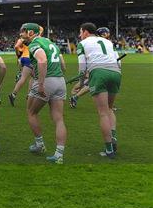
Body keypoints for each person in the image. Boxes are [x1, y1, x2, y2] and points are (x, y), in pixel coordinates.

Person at [20, 23, 68, 164]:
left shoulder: (35, 44)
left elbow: (42, 60)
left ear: (30, 32)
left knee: (31, 112)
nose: (21, 35)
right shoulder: (50, 42)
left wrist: (41, 84)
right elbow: (63, 66)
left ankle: (39, 144)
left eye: (23, 32)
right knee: (59, 119)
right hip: (60, 81)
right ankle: (59, 154)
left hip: (46, 82)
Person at [77, 23, 121, 158]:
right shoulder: (107, 42)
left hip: (99, 73)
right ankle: (113, 137)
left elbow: (82, 67)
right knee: (109, 108)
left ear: (85, 32)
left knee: (102, 113)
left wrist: (80, 83)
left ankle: (109, 150)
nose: (80, 35)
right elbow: (118, 62)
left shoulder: (83, 43)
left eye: (80, 32)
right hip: (116, 73)